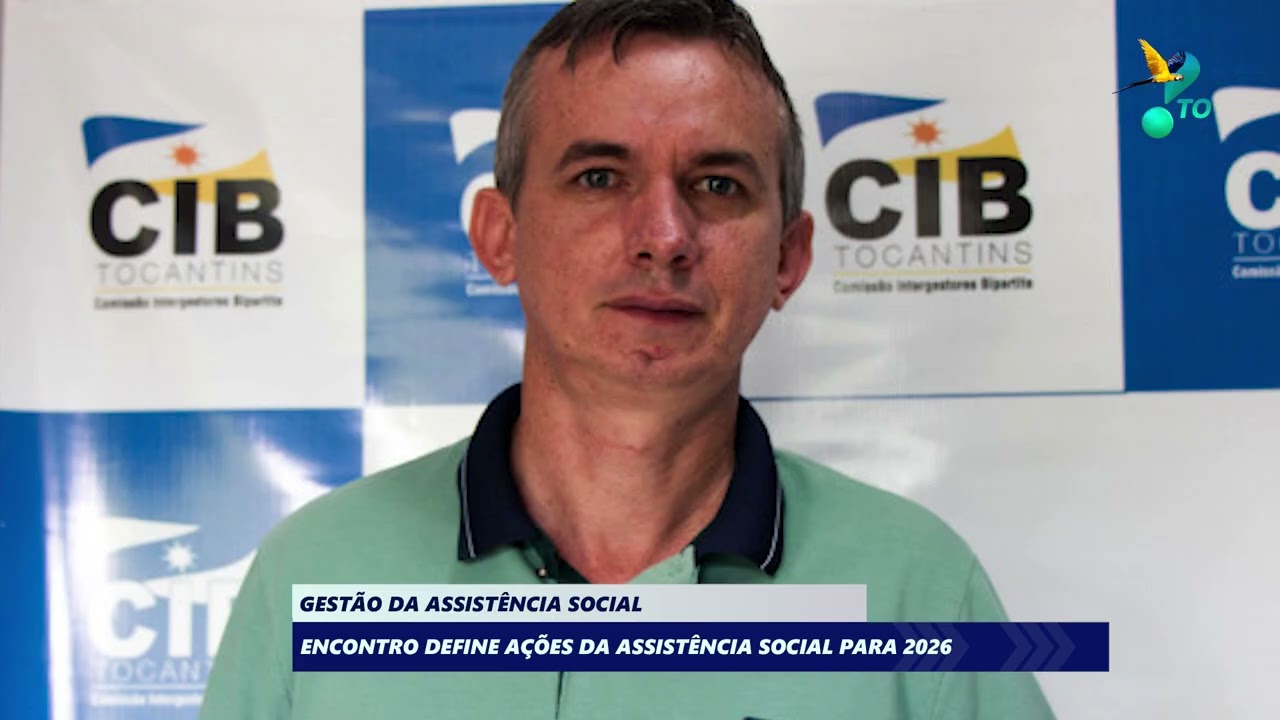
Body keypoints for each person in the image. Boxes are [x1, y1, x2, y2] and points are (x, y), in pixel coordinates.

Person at [201, 1, 1055, 717]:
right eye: (601, 178)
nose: (664, 237)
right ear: (499, 236)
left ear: (788, 260)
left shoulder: (919, 590)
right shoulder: (312, 576)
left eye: (717, 184)